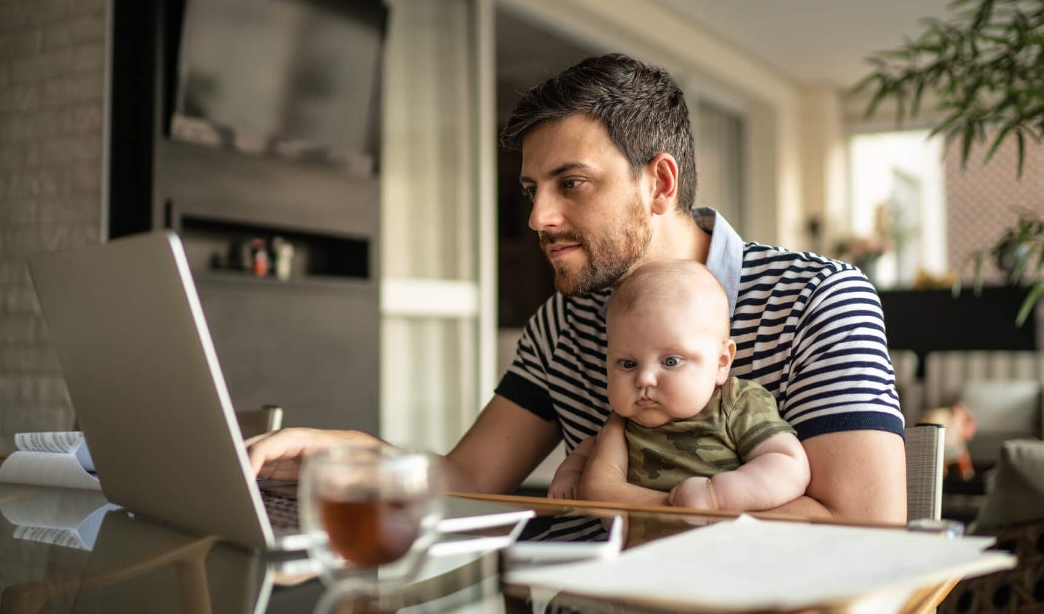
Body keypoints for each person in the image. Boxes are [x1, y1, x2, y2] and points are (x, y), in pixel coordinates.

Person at [247, 52, 906, 525]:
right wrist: (354, 453)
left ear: (660, 184)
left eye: (573, 183)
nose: (538, 218)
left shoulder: (817, 297)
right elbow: (471, 480)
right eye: (533, 190)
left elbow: (869, 527)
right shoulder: (560, 328)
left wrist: (640, 505)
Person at [547, 259, 809, 512]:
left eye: (670, 361)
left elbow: (788, 463)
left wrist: (717, 494)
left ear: (721, 362)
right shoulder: (625, 423)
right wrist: (570, 474)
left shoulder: (736, 403)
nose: (644, 379)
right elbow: (588, 450)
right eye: (627, 364)